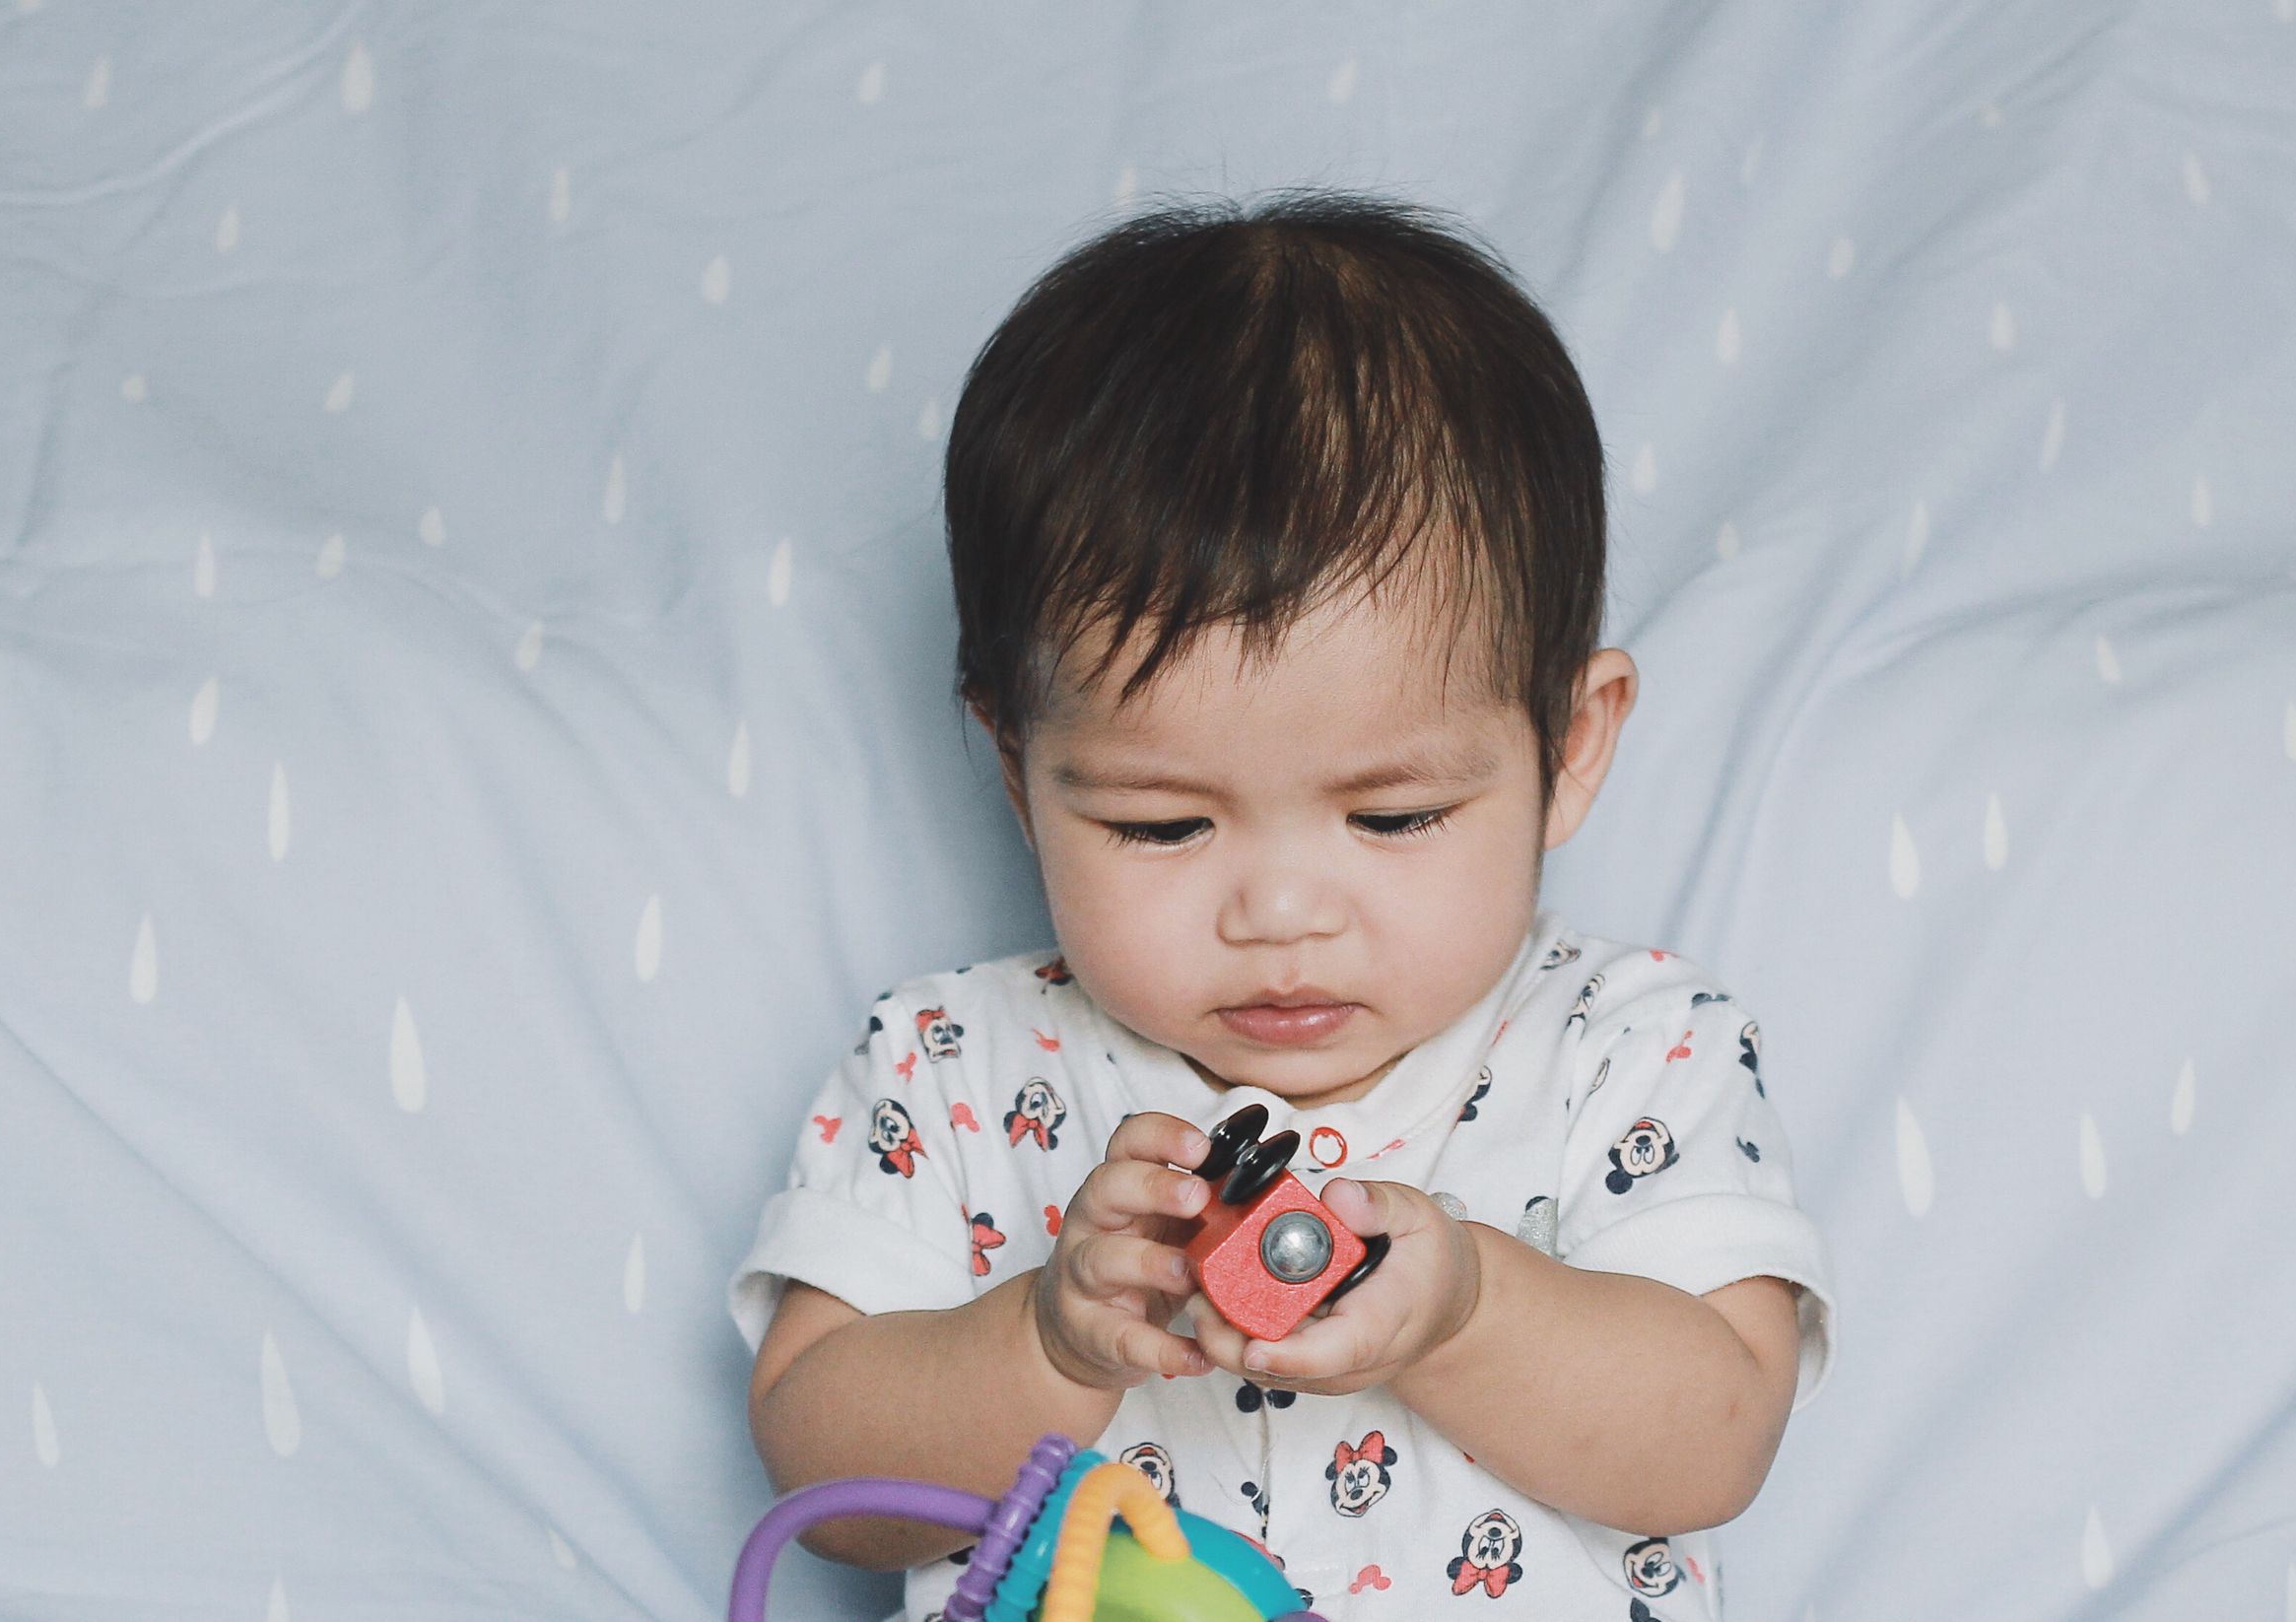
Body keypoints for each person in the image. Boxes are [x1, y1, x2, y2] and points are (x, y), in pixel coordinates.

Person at [729, 191, 1831, 1621]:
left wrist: (1470, 1312)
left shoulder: (1636, 1049)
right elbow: (827, 1482)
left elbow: (1714, 1437)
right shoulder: (949, 1066)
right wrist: (1048, 1341)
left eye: (1395, 815)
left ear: (1570, 745)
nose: (1283, 907)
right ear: (1017, 766)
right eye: (1161, 822)